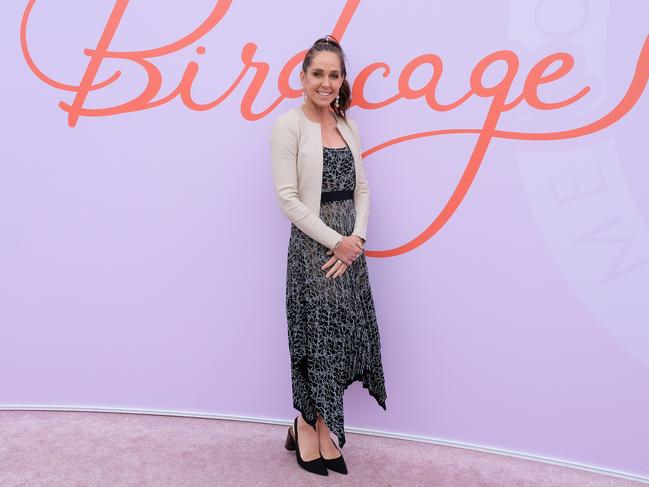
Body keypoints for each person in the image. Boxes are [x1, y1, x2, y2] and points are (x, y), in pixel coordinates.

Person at [271, 35, 387, 476]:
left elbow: (361, 189)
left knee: (339, 337)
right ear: (303, 78)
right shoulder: (288, 125)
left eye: (333, 74)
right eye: (317, 73)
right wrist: (334, 241)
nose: (325, 82)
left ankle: (319, 423)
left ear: (342, 80)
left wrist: (355, 239)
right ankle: (308, 423)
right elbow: (288, 199)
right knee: (315, 336)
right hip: (313, 250)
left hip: (350, 253)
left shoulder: (348, 125)